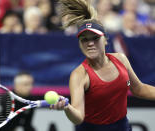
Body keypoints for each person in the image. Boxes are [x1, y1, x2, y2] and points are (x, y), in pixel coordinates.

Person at [51, 0, 155, 131]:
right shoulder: (79, 75)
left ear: (105, 40)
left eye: (95, 38)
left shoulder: (121, 60)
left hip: (122, 127)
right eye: (85, 39)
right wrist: (67, 107)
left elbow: (139, 89)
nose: (90, 43)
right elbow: (78, 117)